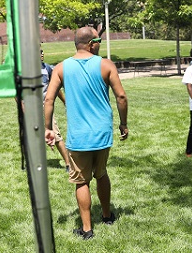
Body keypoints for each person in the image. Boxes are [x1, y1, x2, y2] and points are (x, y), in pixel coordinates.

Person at [44, 27, 128, 240]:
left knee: (82, 181)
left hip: (78, 136)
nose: (100, 43)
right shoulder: (106, 65)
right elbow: (121, 97)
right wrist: (123, 124)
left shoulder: (61, 68)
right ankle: (107, 216)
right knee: (101, 173)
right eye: (99, 40)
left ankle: (87, 229)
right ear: (92, 43)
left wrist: (48, 128)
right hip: (102, 133)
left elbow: (49, 99)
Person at [41, 49, 69, 172]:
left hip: (45, 106)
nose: (41, 54)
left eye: (42, 51)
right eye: (38, 51)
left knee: (56, 134)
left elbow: (56, 89)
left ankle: (68, 164)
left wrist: (65, 101)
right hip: (30, 107)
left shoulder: (48, 69)